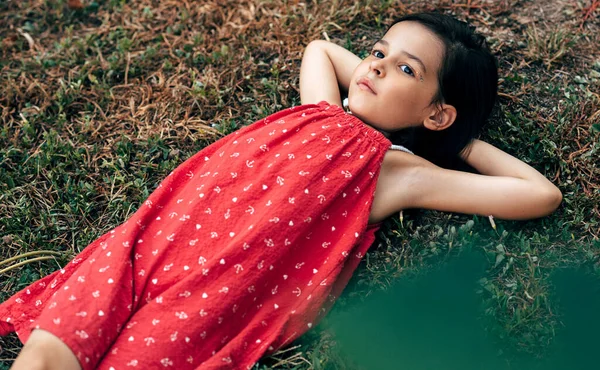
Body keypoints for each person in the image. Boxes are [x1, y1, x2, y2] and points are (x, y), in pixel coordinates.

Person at [2, 12, 561, 370]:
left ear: (438, 111)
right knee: (50, 353)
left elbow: (538, 194)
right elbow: (320, 49)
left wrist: (451, 138)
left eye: (406, 71)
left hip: (212, 296)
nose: (375, 67)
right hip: (149, 244)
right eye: (377, 51)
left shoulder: (396, 171)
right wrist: (396, 81)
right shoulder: (316, 108)